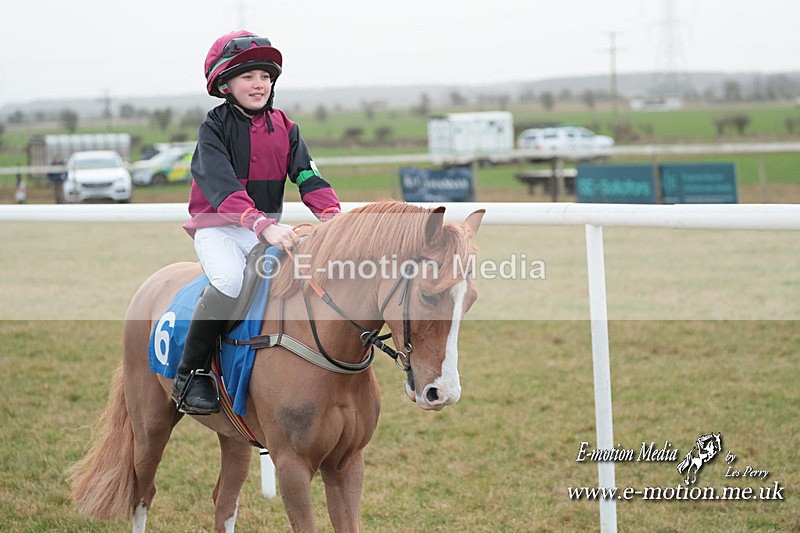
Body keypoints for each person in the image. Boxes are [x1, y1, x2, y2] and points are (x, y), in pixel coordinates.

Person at [172, 30, 342, 415]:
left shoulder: (286, 127)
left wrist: (335, 220)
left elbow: (308, 179)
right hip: (219, 227)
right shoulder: (212, 128)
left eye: (265, 76)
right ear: (225, 84)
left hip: (266, 231)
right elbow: (223, 189)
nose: (259, 84)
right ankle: (191, 373)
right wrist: (261, 224)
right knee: (231, 281)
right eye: (248, 76)